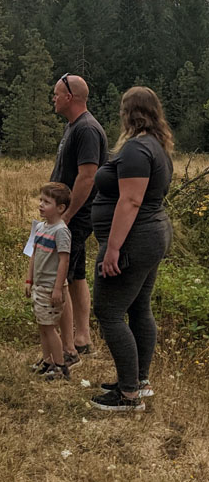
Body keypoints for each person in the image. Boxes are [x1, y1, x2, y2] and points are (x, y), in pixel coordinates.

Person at [90, 87, 173, 412]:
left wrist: (113, 249)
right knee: (139, 308)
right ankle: (138, 381)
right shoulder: (158, 147)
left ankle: (128, 395)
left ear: (130, 112)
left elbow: (132, 200)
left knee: (109, 313)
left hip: (133, 240)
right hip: (150, 236)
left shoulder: (138, 149)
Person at [51, 73, 108, 366]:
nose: (54, 98)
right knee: (76, 276)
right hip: (69, 216)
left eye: (57, 93)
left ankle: (69, 349)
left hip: (76, 216)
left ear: (70, 97)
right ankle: (83, 338)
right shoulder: (74, 127)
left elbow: (87, 177)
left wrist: (66, 216)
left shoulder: (86, 129)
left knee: (60, 278)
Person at [25, 182, 72, 381]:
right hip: (39, 285)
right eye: (41, 200)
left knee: (50, 327)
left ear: (60, 208)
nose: (41, 205)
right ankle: (47, 361)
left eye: (47, 202)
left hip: (51, 288)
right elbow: (34, 254)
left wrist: (58, 288)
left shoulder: (61, 231)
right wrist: (29, 279)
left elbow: (64, 260)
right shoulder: (41, 227)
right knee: (42, 325)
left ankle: (60, 366)